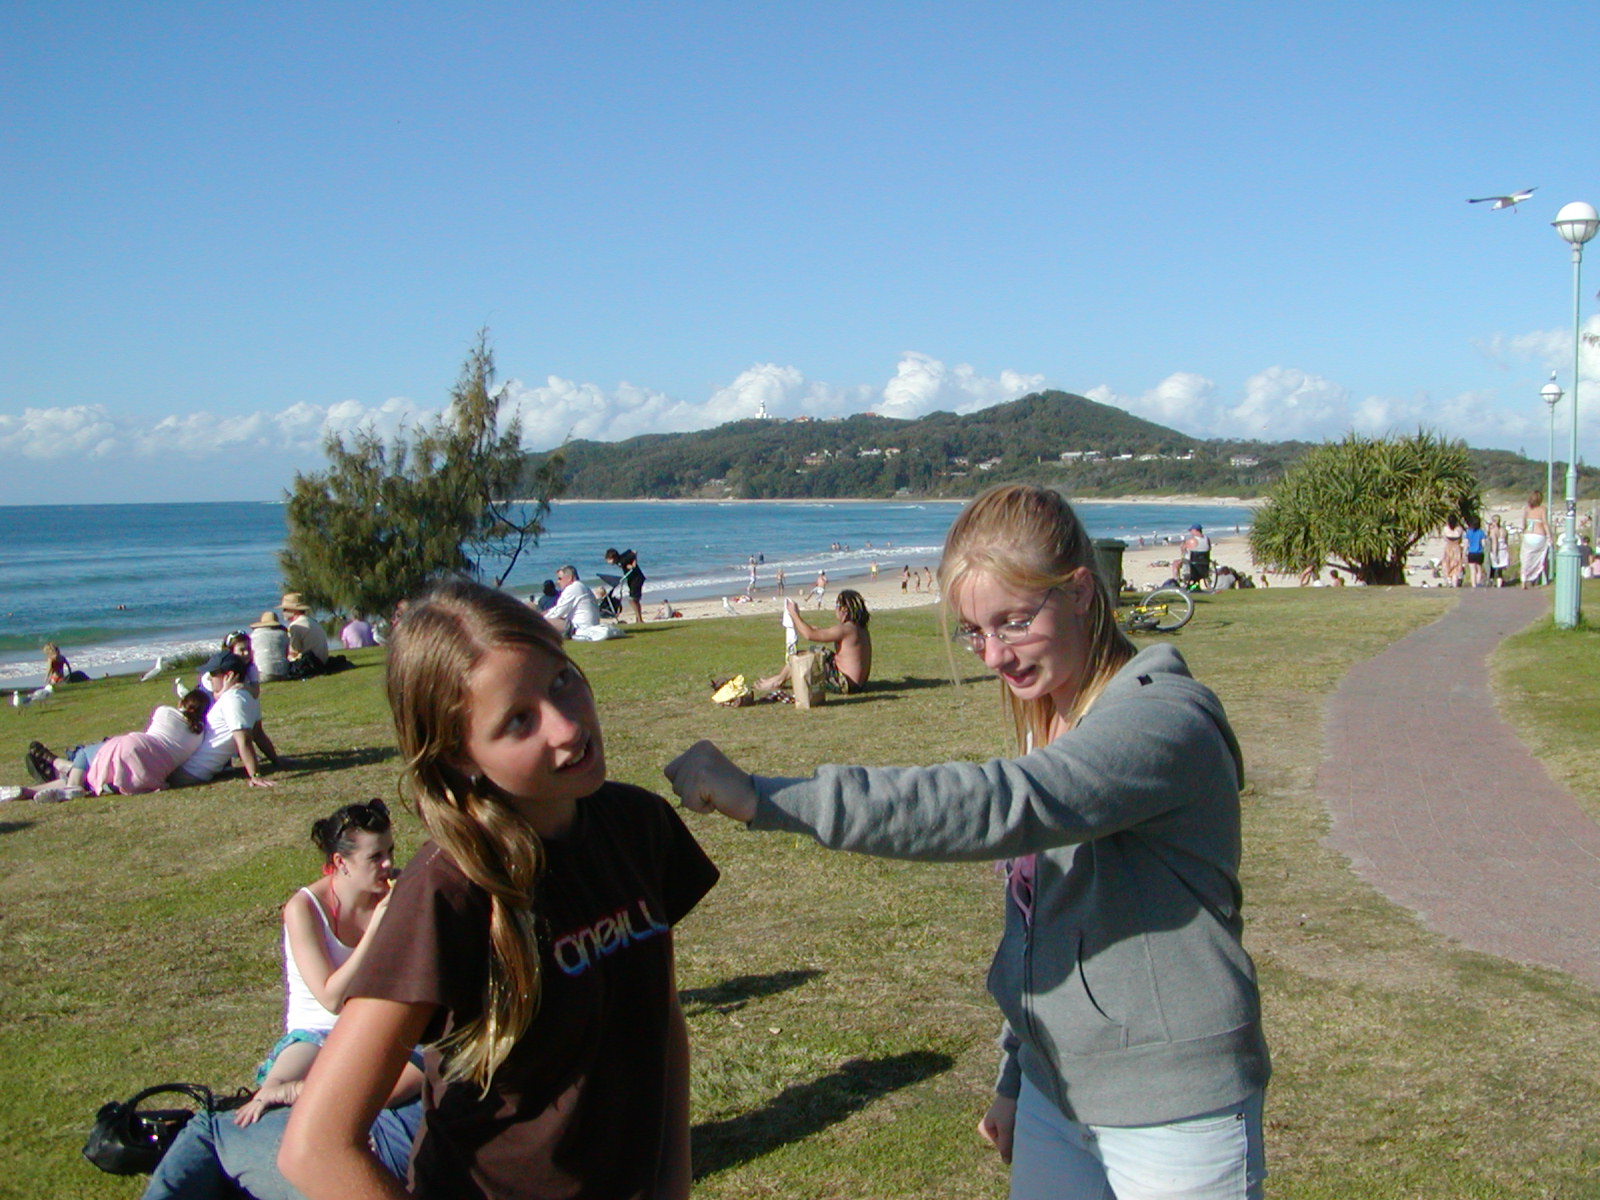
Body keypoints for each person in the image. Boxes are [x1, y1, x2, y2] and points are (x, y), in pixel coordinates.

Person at [665, 484, 1269, 1200]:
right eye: (974, 631)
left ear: (1080, 592)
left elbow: (995, 804)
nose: (994, 655)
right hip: (1056, 1089)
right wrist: (1018, 1073)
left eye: (1013, 622)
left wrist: (767, 798)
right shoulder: (1055, 718)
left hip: (1173, 1111)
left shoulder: (1162, 720)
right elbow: (1040, 919)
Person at [278, 580, 719, 1200]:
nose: (567, 727)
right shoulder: (448, 891)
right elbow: (315, 1147)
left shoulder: (638, 825)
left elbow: (660, 1016)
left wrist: (672, 1183)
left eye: (561, 680)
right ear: (459, 755)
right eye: (518, 719)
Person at [231, 799, 398, 1130]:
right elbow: (331, 999)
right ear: (341, 862)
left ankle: (320, 1094)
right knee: (278, 1083)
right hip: (316, 1031)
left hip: (371, 1023)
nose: (388, 864)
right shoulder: (304, 909)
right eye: (375, 857)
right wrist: (377, 927)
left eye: (390, 851)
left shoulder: (397, 890)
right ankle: (281, 1094)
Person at [1, 689, 210, 803]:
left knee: (85, 754)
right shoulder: (199, 736)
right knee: (93, 777)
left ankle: (64, 772)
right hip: (150, 777)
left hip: (136, 748)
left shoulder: (165, 711)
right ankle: (28, 791)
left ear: (182, 703)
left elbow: (151, 735)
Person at [168, 653, 279, 787]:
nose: (209, 678)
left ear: (229, 675)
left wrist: (261, 772)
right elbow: (256, 735)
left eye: (213, 673)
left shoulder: (233, 699)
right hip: (189, 771)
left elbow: (247, 738)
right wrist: (269, 766)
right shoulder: (246, 696)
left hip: (192, 771)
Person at [757, 590, 873, 695]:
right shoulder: (858, 628)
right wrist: (814, 629)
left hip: (845, 683)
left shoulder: (846, 629)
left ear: (844, 610)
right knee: (816, 652)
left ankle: (776, 682)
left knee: (802, 657)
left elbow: (809, 635)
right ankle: (777, 679)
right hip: (857, 684)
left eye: (837, 606)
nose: (836, 609)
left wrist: (794, 614)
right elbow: (821, 633)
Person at [281, 593, 331, 675]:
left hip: (309, 664)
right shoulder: (312, 621)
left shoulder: (295, 626)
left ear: (294, 610)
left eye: (285, 609)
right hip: (322, 661)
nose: (283, 612)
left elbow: (294, 651)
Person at [604, 548, 647, 624]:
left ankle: (639, 620)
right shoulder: (621, 559)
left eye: (608, 560)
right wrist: (631, 564)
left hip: (636, 579)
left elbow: (634, 552)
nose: (608, 562)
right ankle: (638, 619)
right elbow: (631, 551)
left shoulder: (621, 562)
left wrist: (634, 564)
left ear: (613, 558)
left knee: (632, 600)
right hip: (632, 579)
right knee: (634, 600)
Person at [250, 612, 292, 682]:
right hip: (283, 673)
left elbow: (251, 655)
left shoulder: (254, 635)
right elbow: (286, 654)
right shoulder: (283, 634)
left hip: (263, 673)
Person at [1521, 492, 1549, 588]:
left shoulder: (1526, 509)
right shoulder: (1543, 509)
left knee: (1526, 558)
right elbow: (1545, 523)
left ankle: (1524, 580)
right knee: (1540, 558)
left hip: (1528, 535)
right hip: (1539, 535)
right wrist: (1549, 535)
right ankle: (1537, 578)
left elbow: (1524, 523)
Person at [1181, 524, 1212, 589]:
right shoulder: (1207, 539)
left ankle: (1176, 580)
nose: (1190, 532)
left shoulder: (1192, 540)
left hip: (1193, 565)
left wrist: (1183, 543)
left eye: (1191, 530)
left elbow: (1183, 550)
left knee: (1175, 563)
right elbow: (1209, 549)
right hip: (1204, 565)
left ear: (1195, 530)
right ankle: (1194, 585)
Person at [1440, 515, 1465, 587]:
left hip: (1448, 548)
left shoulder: (1445, 529)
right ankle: (1454, 583)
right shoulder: (1459, 529)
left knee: (1447, 564)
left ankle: (1449, 580)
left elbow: (1444, 538)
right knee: (1456, 567)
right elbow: (1461, 539)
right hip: (1457, 548)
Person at [1463, 517, 1487, 588]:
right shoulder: (1481, 532)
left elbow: (1466, 544)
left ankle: (1473, 584)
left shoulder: (1468, 532)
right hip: (1479, 552)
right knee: (1479, 569)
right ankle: (1478, 582)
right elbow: (1483, 544)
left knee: (1472, 570)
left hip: (1471, 552)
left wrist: (1464, 552)